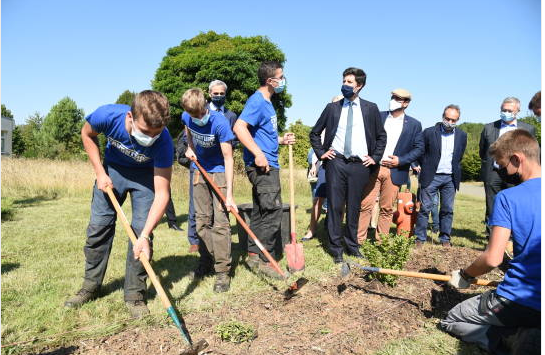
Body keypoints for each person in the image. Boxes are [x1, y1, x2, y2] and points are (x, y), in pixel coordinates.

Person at [65, 90, 173, 318]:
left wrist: (144, 235)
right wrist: (99, 172)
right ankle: (90, 287)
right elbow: (87, 134)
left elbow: (162, 194)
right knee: (98, 229)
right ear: (130, 118)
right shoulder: (108, 115)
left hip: (145, 180)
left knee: (141, 235)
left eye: (156, 132)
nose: (151, 137)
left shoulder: (164, 142)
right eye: (145, 132)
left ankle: (135, 296)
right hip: (111, 173)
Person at [441, 129, 540, 355]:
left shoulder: (509, 198)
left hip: (519, 298)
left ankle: (509, 338)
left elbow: (493, 258)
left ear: (517, 159)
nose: (500, 171)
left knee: (452, 319)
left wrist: (465, 275)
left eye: (502, 165)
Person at [309, 67, 386, 264]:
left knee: (354, 206)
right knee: (335, 206)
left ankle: (352, 245)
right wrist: (321, 153)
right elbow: (315, 133)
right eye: (344, 80)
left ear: (359, 86)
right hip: (336, 162)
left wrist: (375, 157)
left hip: (360, 165)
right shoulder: (332, 108)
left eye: (350, 82)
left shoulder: (370, 108)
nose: (345, 84)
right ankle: (335, 248)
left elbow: (381, 137)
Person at [233, 61, 295, 279]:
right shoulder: (257, 101)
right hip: (264, 166)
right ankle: (266, 260)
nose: (283, 81)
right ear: (271, 81)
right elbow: (239, 128)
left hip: (268, 162)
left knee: (260, 211)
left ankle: (253, 254)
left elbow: (262, 135)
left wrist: (280, 140)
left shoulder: (268, 103)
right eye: (281, 77)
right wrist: (258, 154)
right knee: (272, 211)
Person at [181, 88, 237, 293]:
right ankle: (207, 262)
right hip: (199, 171)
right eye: (193, 115)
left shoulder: (220, 122)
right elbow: (188, 132)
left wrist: (229, 194)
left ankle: (222, 272)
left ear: (205, 105)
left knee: (220, 223)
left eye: (200, 113)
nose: (198, 118)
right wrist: (190, 149)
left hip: (220, 172)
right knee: (202, 222)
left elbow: (229, 158)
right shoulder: (187, 116)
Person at [357, 88, 423, 244]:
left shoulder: (414, 124)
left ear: (406, 103)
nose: (394, 100)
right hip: (373, 168)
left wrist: (400, 161)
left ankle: (381, 242)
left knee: (386, 208)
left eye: (399, 98)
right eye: (393, 97)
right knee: (365, 204)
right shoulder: (377, 116)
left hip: (395, 171)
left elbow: (419, 149)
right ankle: (358, 240)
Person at [479, 97, 536, 237]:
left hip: (515, 174)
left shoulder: (528, 129)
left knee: (514, 205)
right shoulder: (489, 128)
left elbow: (531, 153)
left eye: (509, 110)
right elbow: (482, 151)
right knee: (492, 205)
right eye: (503, 110)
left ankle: (511, 237)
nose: (506, 112)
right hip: (493, 172)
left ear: (517, 111)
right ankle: (492, 237)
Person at [414, 105, 467, 247]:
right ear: (443, 117)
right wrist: (416, 164)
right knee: (425, 208)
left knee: (447, 209)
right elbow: (418, 150)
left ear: (458, 120)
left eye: (453, 120)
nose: (449, 122)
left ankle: (445, 239)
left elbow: (459, 156)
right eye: (447, 119)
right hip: (431, 176)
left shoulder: (462, 135)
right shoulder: (429, 132)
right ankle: (420, 238)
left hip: (450, 178)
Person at [302, 146, 327, 241]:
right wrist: (313, 164)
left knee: (337, 200)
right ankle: (312, 230)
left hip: (340, 163)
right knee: (317, 200)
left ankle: (333, 231)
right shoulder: (323, 132)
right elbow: (317, 146)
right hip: (324, 164)